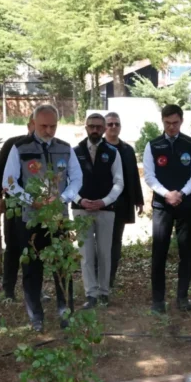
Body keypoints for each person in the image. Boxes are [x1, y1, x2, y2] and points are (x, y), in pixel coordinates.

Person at [2, 104, 83, 332]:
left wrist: (64, 197)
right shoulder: (20, 148)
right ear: (34, 124)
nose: (48, 130)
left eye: (53, 126)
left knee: (62, 267)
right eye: (43, 126)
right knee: (32, 269)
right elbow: (8, 181)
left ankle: (65, 311)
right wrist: (30, 199)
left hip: (58, 217)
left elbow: (77, 179)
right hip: (31, 218)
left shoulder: (65, 149)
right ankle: (36, 316)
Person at [143, 104, 191, 314]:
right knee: (159, 251)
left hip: (185, 203)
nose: (171, 127)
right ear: (162, 122)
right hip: (162, 205)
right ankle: (158, 299)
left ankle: (182, 297)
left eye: (175, 123)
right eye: (167, 123)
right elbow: (149, 176)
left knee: (186, 251)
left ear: (181, 121)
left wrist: (181, 193)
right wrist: (167, 194)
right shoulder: (153, 145)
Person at [72, 113, 124, 309]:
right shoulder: (74, 152)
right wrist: (79, 199)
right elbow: (68, 181)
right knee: (86, 253)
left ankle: (104, 292)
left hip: (106, 210)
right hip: (80, 209)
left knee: (104, 252)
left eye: (98, 127)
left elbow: (119, 182)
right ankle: (90, 294)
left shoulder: (112, 152)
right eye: (91, 126)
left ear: (104, 130)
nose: (94, 130)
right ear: (85, 128)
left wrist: (104, 201)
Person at [0, 117, 35, 300]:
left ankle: (33, 289)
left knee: (34, 248)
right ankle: (8, 290)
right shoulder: (13, 144)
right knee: (13, 248)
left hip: (39, 207)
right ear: (29, 125)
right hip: (15, 205)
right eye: (38, 124)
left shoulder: (49, 147)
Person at [104, 112, 144, 290]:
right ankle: (98, 279)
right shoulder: (99, 147)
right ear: (105, 126)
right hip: (102, 204)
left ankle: (109, 280)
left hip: (121, 203)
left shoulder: (127, 150)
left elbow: (134, 176)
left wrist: (139, 200)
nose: (113, 127)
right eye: (110, 124)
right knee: (101, 242)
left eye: (116, 124)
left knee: (115, 242)